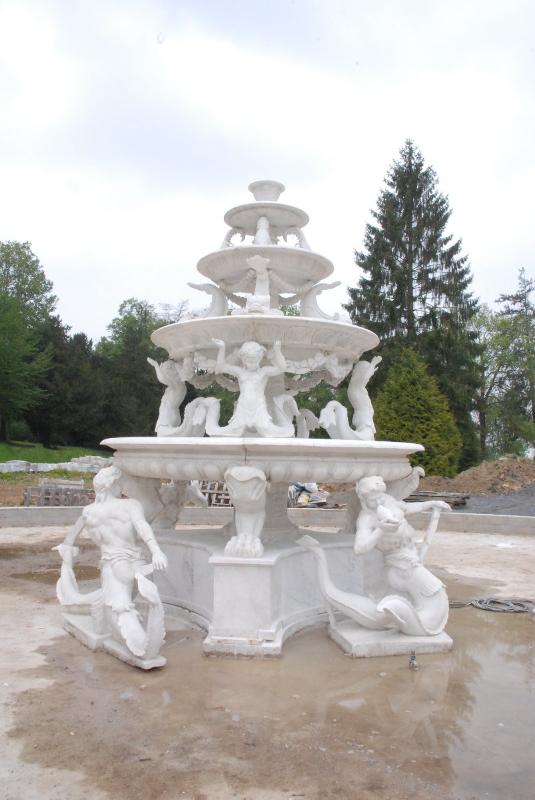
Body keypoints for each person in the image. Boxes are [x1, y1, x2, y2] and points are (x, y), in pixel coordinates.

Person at [210, 339, 294, 437]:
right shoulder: (240, 372)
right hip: (243, 407)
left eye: (255, 361)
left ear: (260, 359)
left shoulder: (263, 372)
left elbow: (282, 368)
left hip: (259, 407)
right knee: (234, 432)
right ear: (244, 361)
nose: (253, 364)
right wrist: (222, 348)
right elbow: (221, 367)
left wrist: (277, 351)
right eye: (250, 362)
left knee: (267, 433)